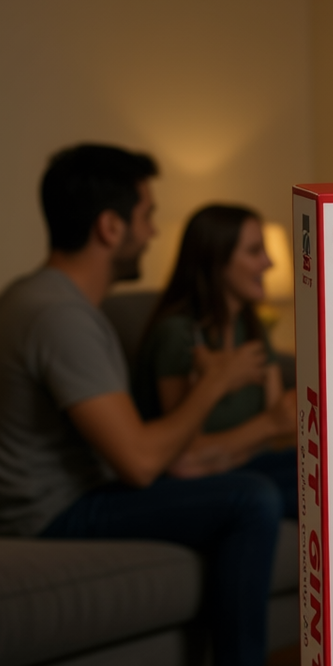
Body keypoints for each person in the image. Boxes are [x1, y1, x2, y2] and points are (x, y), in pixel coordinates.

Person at [0, 144, 288, 666]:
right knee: (252, 499)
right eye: (147, 216)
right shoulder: (58, 316)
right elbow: (141, 463)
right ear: (110, 226)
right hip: (56, 512)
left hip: (91, 489)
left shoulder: (53, 301)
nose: (151, 232)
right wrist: (215, 383)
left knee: (296, 474)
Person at [135, 205, 297, 519]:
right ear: (216, 261)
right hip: (190, 485)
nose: (269, 262)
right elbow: (184, 457)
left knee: (332, 471)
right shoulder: (178, 337)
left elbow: (279, 432)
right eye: (254, 251)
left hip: (247, 465)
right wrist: (268, 425)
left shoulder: (252, 328)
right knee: (268, 494)